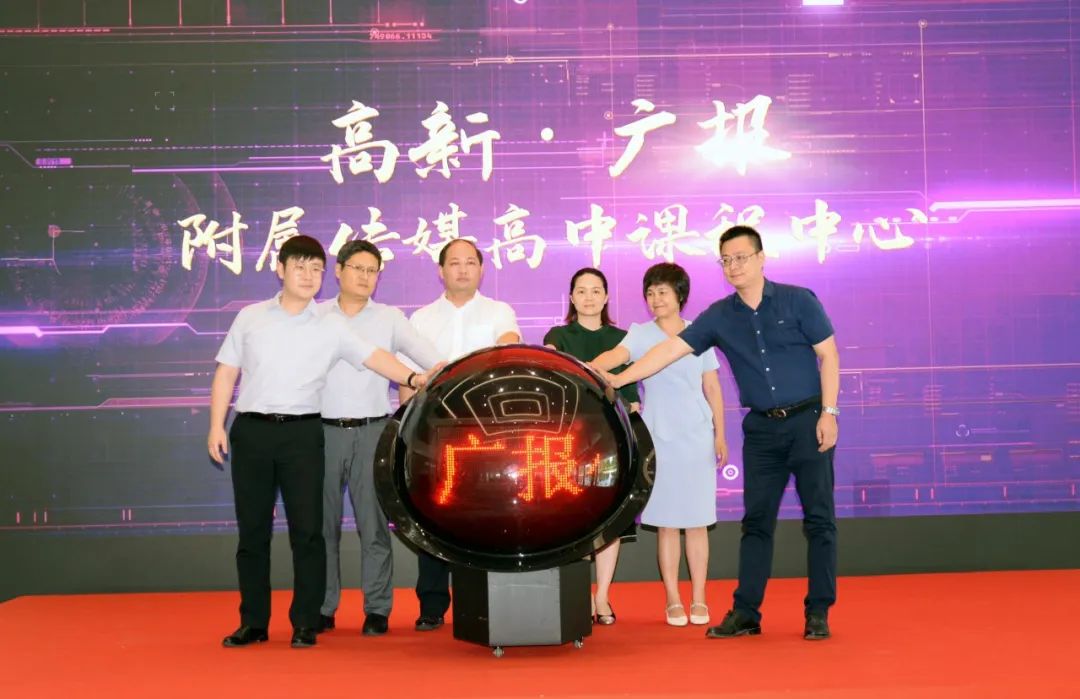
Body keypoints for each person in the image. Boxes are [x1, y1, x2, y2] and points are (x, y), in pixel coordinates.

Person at [598, 225, 840, 641]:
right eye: (726, 260)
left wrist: (830, 412)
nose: (733, 266)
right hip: (761, 429)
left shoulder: (799, 300)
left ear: (761, 258)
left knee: (819, 520)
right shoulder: (719, 316)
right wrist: (618, 377)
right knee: (756, 523)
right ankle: (746, 613)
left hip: (808, 421)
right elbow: (668, 351)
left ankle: (818, 611)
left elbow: (829, 355)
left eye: (741, 257)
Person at [207, 235, 437, 649]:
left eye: (315, 268)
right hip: (252, 430)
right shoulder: (250, 317)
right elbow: (226, 372)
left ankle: (305, 622)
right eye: (300, 267)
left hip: (303, 433)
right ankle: (253, 622)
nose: (308, 275)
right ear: (280, 269)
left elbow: (374, 357)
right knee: (253, 533)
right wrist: (216, 425)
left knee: (309, 532)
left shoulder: (331, 324)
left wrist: (412, 377)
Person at [316, 240, 442, 637]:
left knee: (373, 526)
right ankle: (322, 606)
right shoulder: (315, 317)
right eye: (358, 268)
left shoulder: (389, 318)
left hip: (372, 431)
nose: (365, 277)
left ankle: (377, 608)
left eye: (372, 271)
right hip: (320, 432)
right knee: (322, 527)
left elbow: (430, 358)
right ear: (338, 271)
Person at [591, 263, 726, 627]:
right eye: (650, 293)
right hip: (658, 435)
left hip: (697, 434)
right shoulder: (640, 333)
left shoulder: (699, 332)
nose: (656, 299)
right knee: (666, 523)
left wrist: (720, 433)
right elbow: (616, 357)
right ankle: (673, 599)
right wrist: (590, 367)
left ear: (680, 295)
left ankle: (699, 597)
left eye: (663, 292)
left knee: (697, 522)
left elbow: (712, 387)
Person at [399, 238, 521, 631]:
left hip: (486, 431)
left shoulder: (498, 311)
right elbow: (406, 377)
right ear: (441, 271)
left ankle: (482, 604)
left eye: (471, 262)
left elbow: (509, 344)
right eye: (455, 263)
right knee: (432, 514)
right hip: (434, 428)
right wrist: (404, 427)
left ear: (482, 269)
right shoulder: (421, 318)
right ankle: (432, 604)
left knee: (484, 516)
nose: (463, 269)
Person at [542, 267, 642, 626]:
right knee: (578, 520)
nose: (588, 297)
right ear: (571, 297)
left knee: (611, 521)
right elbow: (554, 379)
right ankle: (581, 595)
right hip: (570, 443)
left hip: (612, 440)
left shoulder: (623, 338)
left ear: (606, 296)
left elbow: (630, 396)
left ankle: (602, 597)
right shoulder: (557, 336)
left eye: (596, 290)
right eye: (581, 291)